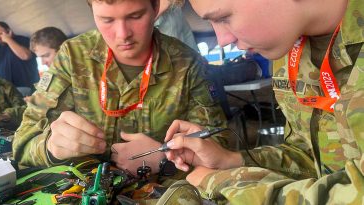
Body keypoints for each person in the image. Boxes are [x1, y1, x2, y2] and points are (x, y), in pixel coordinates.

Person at [161, 0, 364, 204]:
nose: (222, 40)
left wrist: (229, 184)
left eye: (223, 18)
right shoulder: (291, 47)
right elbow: (311, 157)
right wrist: (232, 161)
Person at [12, 0, 227, 178]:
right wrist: (50, 147)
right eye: (107, 20)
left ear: (155, 9)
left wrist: (165, 159)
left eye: (135, 16)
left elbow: (219, 146)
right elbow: (22, 144)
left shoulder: (187, 64)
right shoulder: (73, 56)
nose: (122, 34)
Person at [0, 22, 39, 89]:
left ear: (8, 31)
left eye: (0, 34)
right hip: (7, 90)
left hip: (26, 87)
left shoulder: (23, 40)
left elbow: (25, 56)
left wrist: (8, 39)